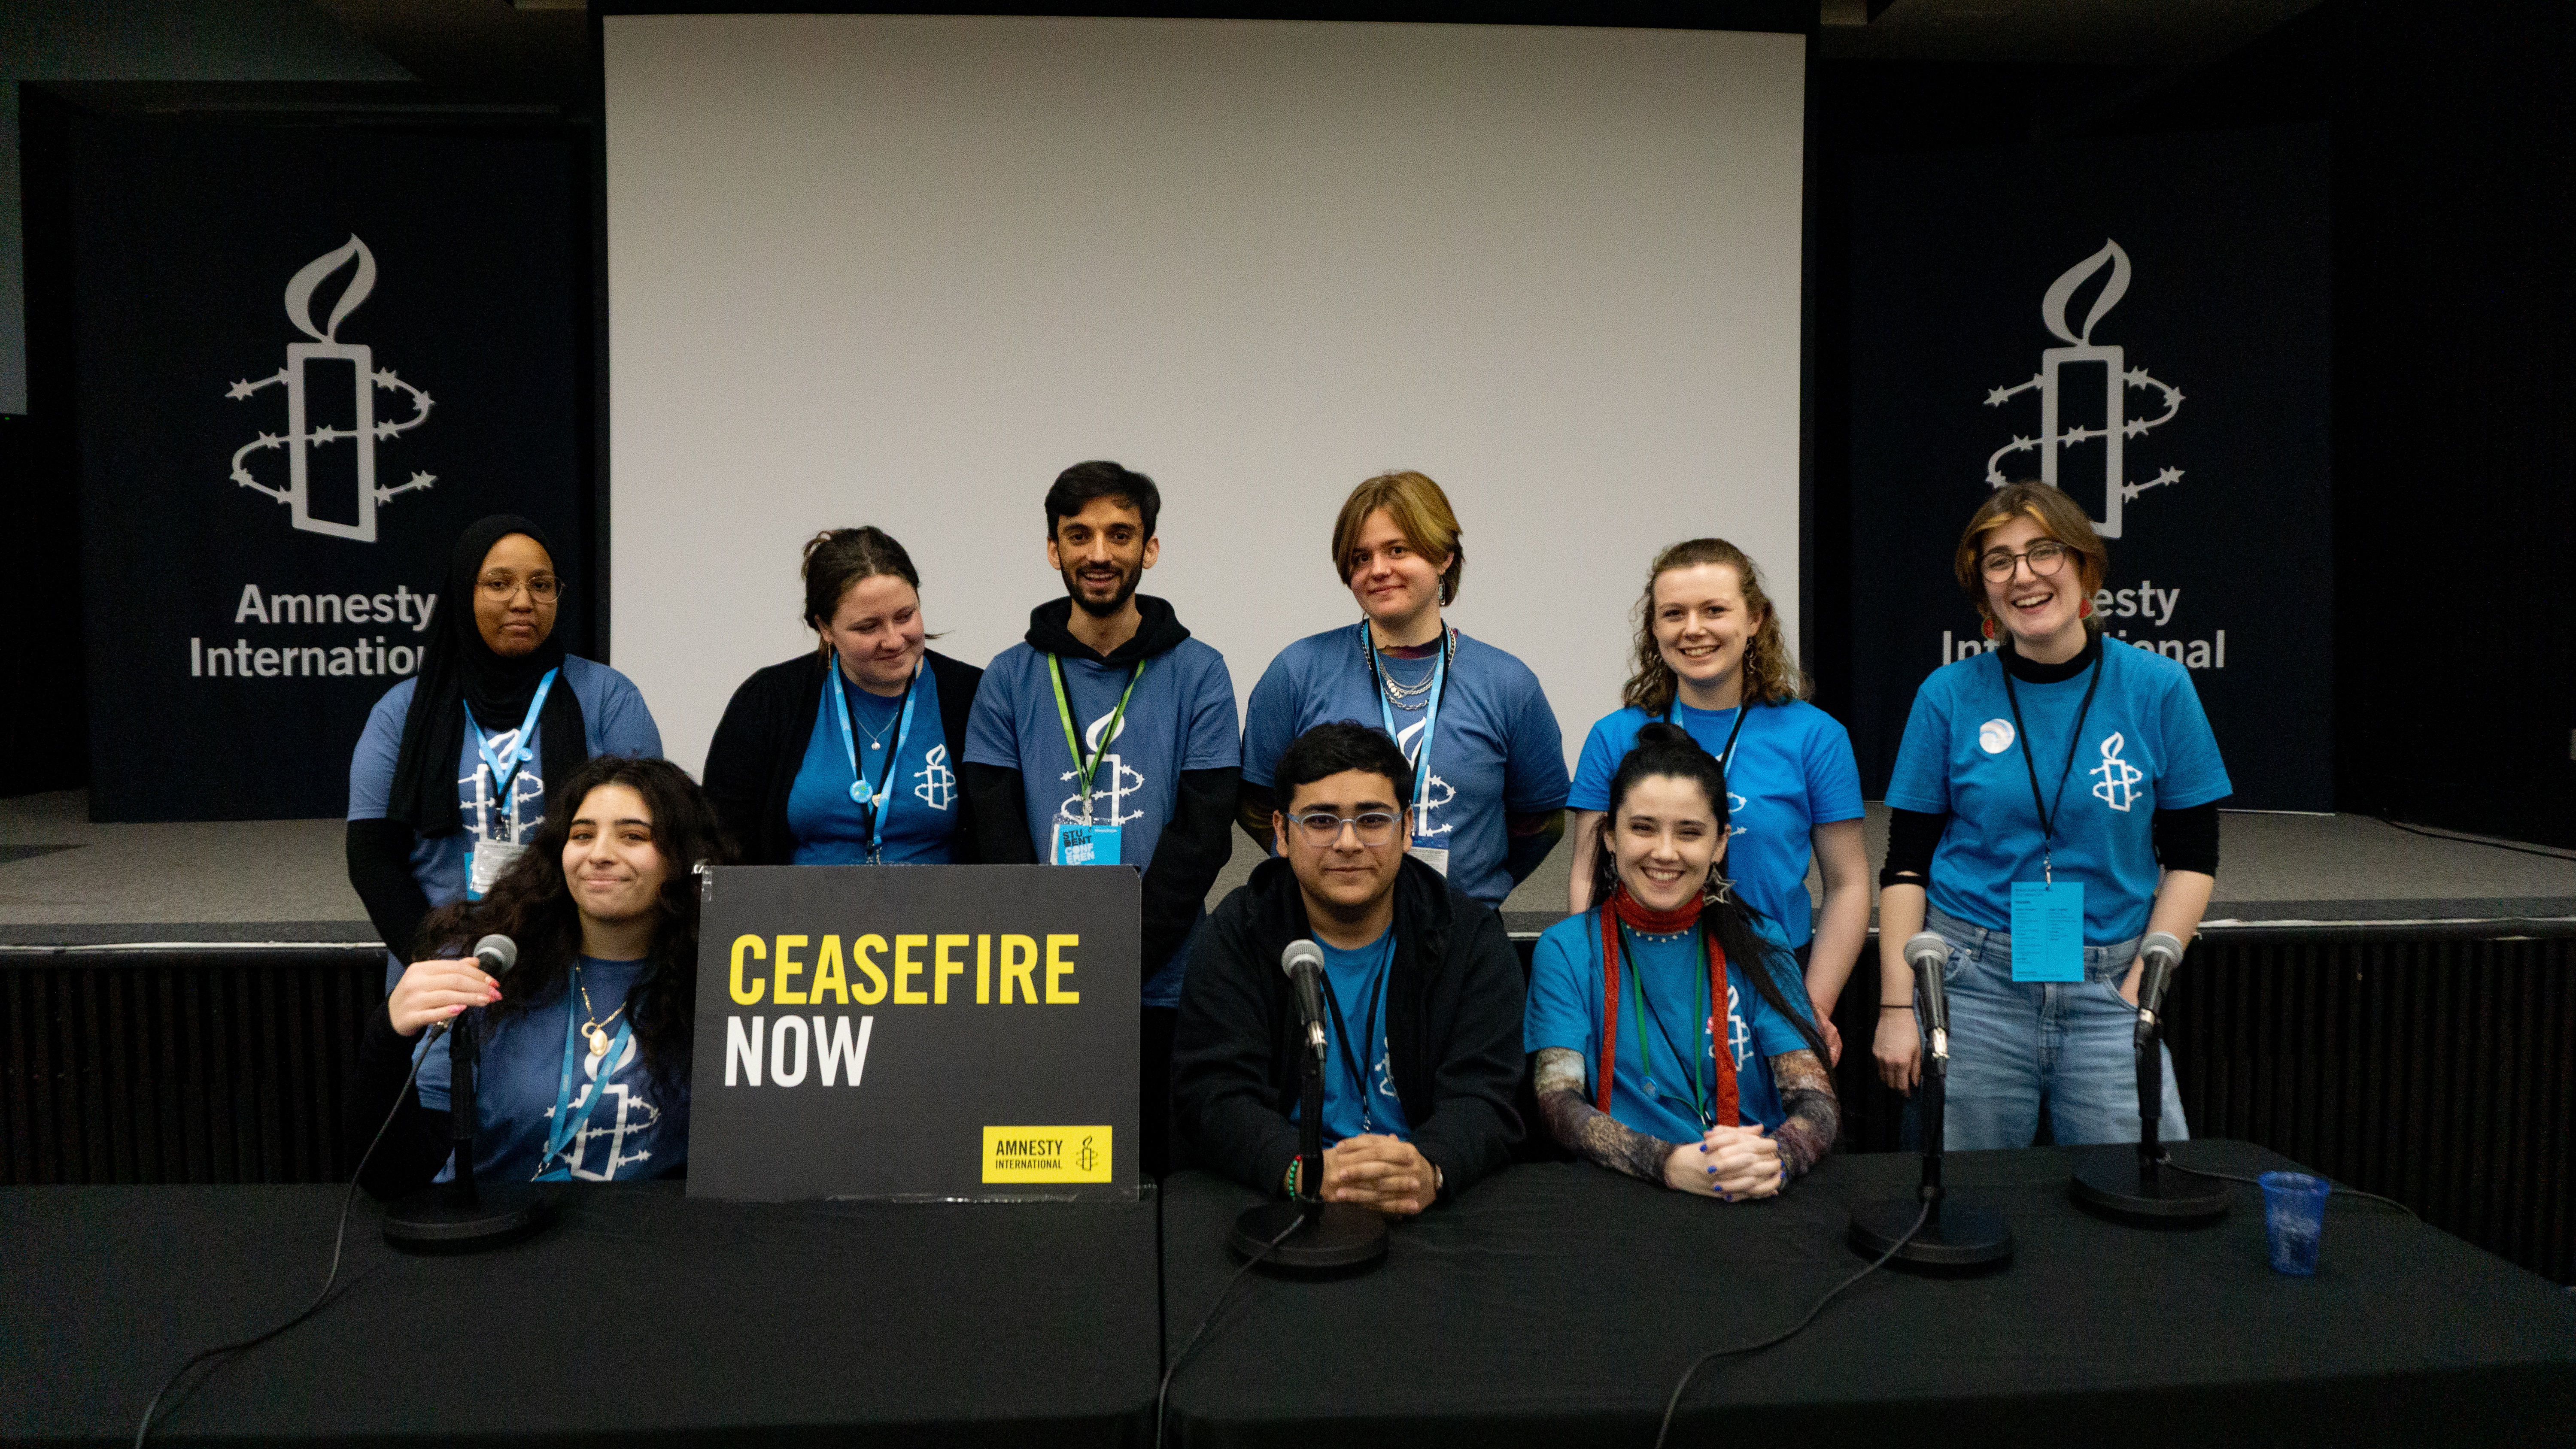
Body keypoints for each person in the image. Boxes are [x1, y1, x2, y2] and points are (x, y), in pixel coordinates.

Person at [1874, 482, 2228, 1149]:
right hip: (1971, 988)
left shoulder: (2158, 688)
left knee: (2141, 1194)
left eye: (2044, 551)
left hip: (2109, 991)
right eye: (1999, 561)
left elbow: (2193, 857)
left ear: (2085, 567)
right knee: (1960, 1203)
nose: (2024, 575)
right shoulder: (1947, 696)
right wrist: (1898, 1007)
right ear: (1983, 591)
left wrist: (2137, 991)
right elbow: (1905, 866)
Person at [963, 460, 1240, 1176]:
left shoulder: (1200, 672)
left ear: (1150, 548)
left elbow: (1204, 831)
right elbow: (997, 832)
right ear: (1053, 549)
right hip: (1040, 981)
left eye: (1120, 535)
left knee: (1161, 1179)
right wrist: (1058, 954)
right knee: (1054, 1185)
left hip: (1168, 981)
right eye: (1078, 535)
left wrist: (1119, 957)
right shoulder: (1008, 676)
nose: (1099, 553)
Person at [1174, 722, 1525, 1211]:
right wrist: (1301, 1169)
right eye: (1320, 820)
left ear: (1407, 830)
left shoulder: (1468, 937)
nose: (1348, 842)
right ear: (1281, 832)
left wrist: (1431, 1167)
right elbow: (1213, 1093)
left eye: (1372, 820)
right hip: (1288, 1198)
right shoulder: (1239, 931)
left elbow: (1488, 1095)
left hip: (1420, 1198)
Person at [349, 755, 726, 1192]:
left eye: (633, 836)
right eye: (582, 835)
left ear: (683, 857)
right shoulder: (485, 964)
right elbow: (391, 1176)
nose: (600, 854)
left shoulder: (725, 977)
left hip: (648, 1245)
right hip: (498, 1240)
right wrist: (387, 1039)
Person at [1567, 539, 1868, 1062]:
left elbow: (1848, 884)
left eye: (1714, 610)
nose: (1693, 629)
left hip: (1774, 976)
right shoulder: (1615, 736)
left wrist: (1810, 1006)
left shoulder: (1814, 736)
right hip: (1643, 974)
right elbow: (1588, 876)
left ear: (1755, 619)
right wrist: (1597, 983)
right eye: (1674, 614)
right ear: (1655, 629)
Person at [1528, 724, 1839, 1198]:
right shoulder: (1566, 949)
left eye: (1690, 832)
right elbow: (1557, 1105)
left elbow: (1816, 1099)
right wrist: (1668, 1163)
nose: (1666, 852)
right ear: (1609, 835)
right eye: (1643, 828)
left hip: (1753, 1185)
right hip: (1626, 1195)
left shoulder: (1763, 941)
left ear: (1719, 844)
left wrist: (1778, 1156)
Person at [346, 514, 662, 982]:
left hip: (577, 966)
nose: (523, 601)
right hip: (439, 968)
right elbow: (374, 858)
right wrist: (437, 963)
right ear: (463, 592)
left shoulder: (608, 698)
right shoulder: (403, 711)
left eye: (541, 584)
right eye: (499, 583)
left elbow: (646, 839)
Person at [1239, 470, 1568, 906]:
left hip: (1461, 937)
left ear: (1444, 555)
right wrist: (1319, 876)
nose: (1378, 570)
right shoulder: (1297, 672)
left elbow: (1542, 824)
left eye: (1398, 550)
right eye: (1360, 558)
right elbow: (1257, 806)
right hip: (1329, 930)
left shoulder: (1508, 684)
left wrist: (1476, 888)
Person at [702, 527, 983, 865]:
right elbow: (722, 844)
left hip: (943, 916)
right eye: (868, 627)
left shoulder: (973, 696)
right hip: (799, 915)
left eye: (905, 617)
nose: (894, 640)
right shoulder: (768, 701)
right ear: (825, 628)